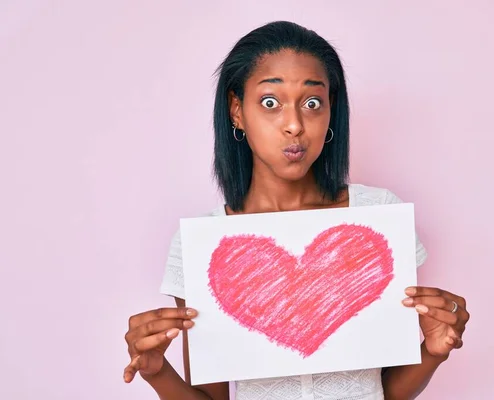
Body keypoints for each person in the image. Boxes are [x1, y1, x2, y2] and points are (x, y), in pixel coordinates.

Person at [123, 20, 470, 400]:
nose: (294, 125)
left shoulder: (377, 216)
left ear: (330, 111)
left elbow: (383, 392)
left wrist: (433, 351)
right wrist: (158, 373)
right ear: (237, 110)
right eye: (271, 103)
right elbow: (213, 394)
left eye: (312, 103)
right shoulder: (205, 244)